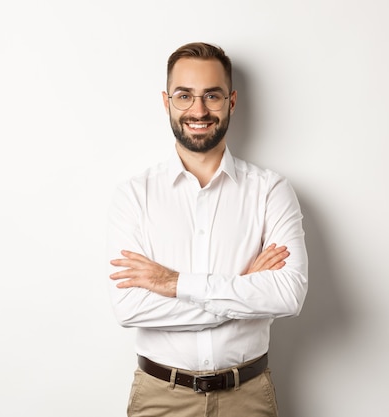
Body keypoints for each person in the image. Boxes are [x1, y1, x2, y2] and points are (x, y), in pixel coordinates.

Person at [106, 41, 308, 417]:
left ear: (231, 102)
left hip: (247, 397)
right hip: (160, 398)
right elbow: (128, 307)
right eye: (185, 96)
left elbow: (287, 294)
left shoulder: (271, 191)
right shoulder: (133, 195)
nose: (198, 110)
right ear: (166, 102)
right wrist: (243, 288)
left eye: (211, 96)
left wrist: (173, 283)